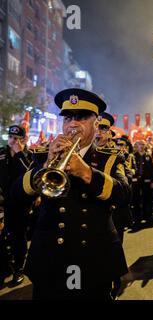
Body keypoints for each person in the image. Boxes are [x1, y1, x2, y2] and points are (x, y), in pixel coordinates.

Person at [13, 88, 130, 300]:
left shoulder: (110, 158)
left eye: (82, 117)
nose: (73, 124)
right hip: (50, 256)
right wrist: (47, 165)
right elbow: (16, 195)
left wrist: (86, 172)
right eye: (68, 118)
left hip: (94, 257)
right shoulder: (42, 155)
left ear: (96, 123)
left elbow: (123, 195)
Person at [0, 125, 33, 285]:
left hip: (21, 205)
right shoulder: (1, 153)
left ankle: (19, 268)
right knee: (4, 236)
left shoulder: (28, 155)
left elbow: (30, 173)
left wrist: (19, 153)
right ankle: (6, 267)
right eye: (11, 137)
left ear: (23, 140)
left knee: (18, 238)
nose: (12, 141)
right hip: (3, 203)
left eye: (16, 138)